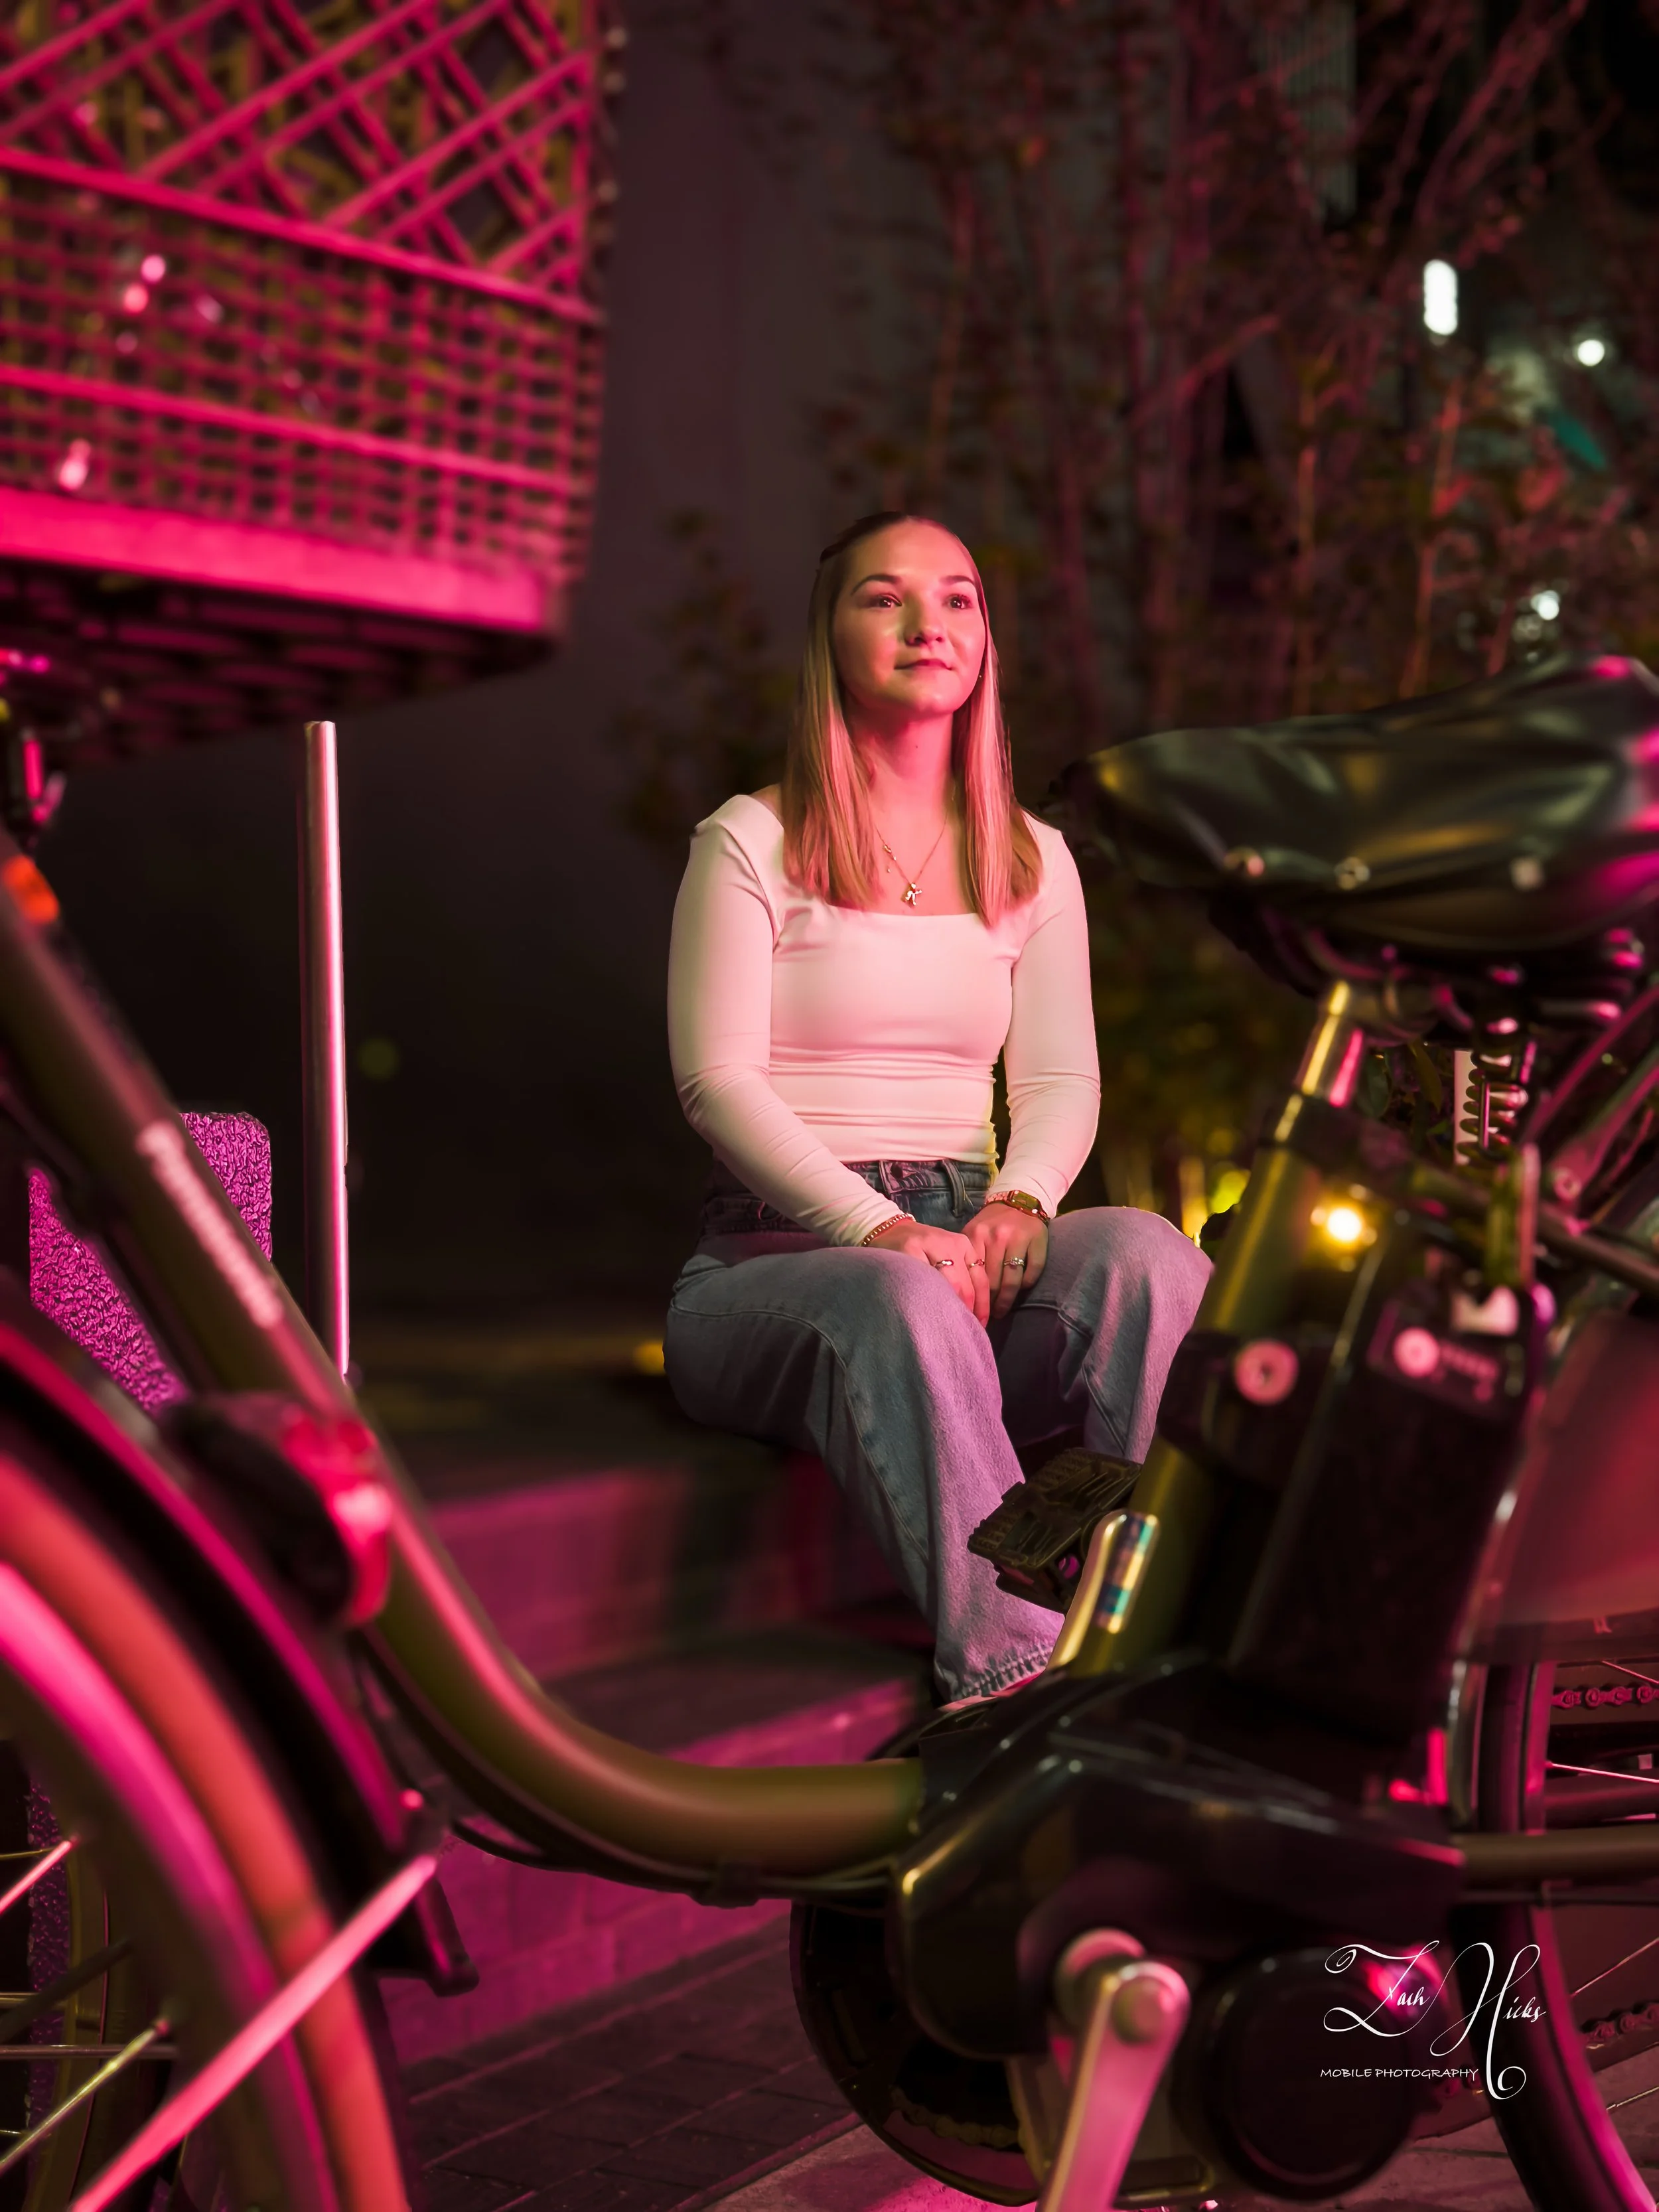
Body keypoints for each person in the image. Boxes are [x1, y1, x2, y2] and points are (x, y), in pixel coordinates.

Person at [663, 511, 1209, 1704]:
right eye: (886, 597)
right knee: (898, 1297)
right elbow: (716, 1080)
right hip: (783, 1263)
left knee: (1151, 1257)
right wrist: (878, 1230)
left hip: (975, 1255)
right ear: (832, 634)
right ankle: (1020, 1677)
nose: (930, 624)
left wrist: (1021, 1200)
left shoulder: (1031, 857)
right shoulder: (751, 840)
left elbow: (1062, 1082)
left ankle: (1147, 1611)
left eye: (959, 598)